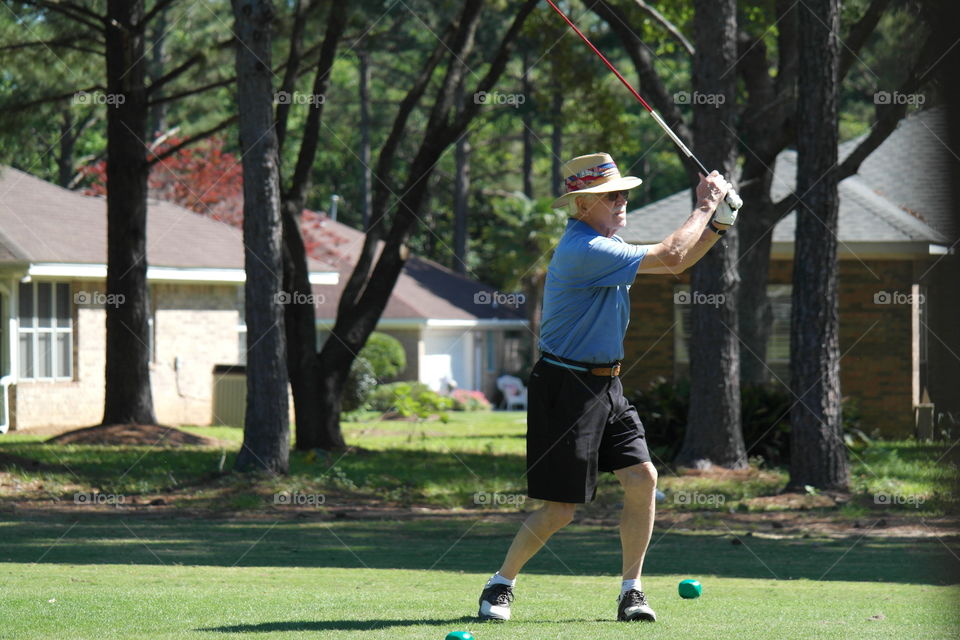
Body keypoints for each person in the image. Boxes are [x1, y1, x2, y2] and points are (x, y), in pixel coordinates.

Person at [476, 152, 735, 623]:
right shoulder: (585, 249)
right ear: (581, 206)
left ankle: (631, 591)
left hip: (608, 384)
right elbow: (674, 254)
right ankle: (500, 584)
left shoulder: (608, 245)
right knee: (560, 510)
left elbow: (677, 262)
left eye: (623, 194)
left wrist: (720, 223)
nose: (622, 202)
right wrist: (704, 205)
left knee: (643, 478)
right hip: (565, 386)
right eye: (610, 196)